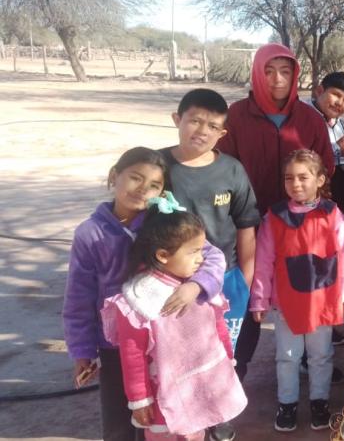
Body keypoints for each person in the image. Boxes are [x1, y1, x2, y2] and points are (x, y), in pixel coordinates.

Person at [63, 148, 225, 441]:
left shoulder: (165, 224)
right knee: (120, 423)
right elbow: (78, 298)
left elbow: (212, 258)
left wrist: (196, 285)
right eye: (135, 178)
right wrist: (82, 351)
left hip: (169, 341)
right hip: (116, 347)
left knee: (171, 415)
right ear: (115, 176)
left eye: (154, 185)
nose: (143, 189)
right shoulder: (90, 234)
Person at [215, 43, 335, 380]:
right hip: (247, 224)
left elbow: (325, 165)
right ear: (257, 73)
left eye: (285, 71)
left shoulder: (310, 118)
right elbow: (223, 167)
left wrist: (308, 207)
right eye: (268, 71)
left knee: (302, 291)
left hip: (299, 225)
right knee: (247, 294)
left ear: (295, 74)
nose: (277, 79)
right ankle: (234, 372)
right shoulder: (237, 115)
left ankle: (311, 364)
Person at [100, 197, 246, 440]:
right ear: (163, 255)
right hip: (162, 397)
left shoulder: (198, 286)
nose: (202, 258)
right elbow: (132, 355)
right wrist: (139, 399)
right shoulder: (139, 299)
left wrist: (227, 361)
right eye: (194, 252)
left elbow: (218, 326)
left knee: (197, 432)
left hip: (202, 386)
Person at [159, 89, 259, 441]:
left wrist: (244, 281)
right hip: (169, 282)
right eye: (195, 121)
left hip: (225, 278)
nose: (202, 131)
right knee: (176, 351)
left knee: (223, 352)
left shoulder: (231, 170)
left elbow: (246, 227)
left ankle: (220, 411)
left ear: (222, 134)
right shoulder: (158, 167)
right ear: (177, 120)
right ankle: (181, 410)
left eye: (212, 126)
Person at [249, 150, 344, 432]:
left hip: (322, 300)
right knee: (288, 356)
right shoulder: (275, 217)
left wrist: (343, 296)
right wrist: (259, 298)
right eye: (289, 178)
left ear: (320, 179)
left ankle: (320, 401)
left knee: (321, 355)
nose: (296, 184)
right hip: (287, 302)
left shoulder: (333, 215)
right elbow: (264, 260)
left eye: (303, 177)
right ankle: (288, 404)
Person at [311, 71, 344, 219]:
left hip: (341, 197)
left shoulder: (341, 123)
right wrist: (337, 148)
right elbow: (304, 155)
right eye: (336, 95)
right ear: (319, 91)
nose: (339, 103)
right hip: (316, 194)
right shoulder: (306, 117)